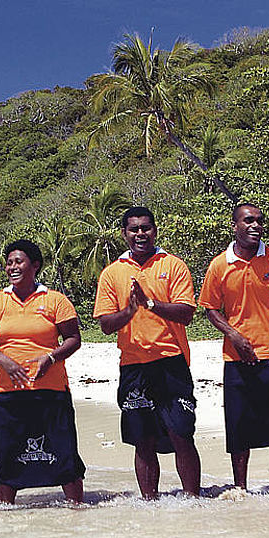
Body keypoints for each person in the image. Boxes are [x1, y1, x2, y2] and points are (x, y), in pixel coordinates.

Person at [199, 203, 269, 491]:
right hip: (237, 358)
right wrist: (233, 335)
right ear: (234, 225)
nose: (255, 226)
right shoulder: (219, 265)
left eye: (260, 221)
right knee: (237, 427)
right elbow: (211, 308)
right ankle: (240, 489)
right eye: (248, 221)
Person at [93, 207, 201, 498]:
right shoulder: (111, 273)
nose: (140, 234)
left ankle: (194, 500)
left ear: (155, 230)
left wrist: (150, 304)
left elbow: (186, 313)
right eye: (133, 229)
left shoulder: (174, 265)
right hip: (133, 367)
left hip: (172, 362)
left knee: (181, 433)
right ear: (124, 234)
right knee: (143, 439)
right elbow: (105, 324)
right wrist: (129, 310)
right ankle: (149, 504)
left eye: (145, 228)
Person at [0, 239, 85, 505]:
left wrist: (51, 357)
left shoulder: (55, 299)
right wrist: (5, 361)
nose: (12, 267)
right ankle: (6, 513)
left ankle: (77, 512)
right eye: (9, 262)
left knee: (63, 451)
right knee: (6, 454)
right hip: (8, 393)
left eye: (18, 261)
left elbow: (73, 338)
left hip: (51, 390)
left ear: (35, 266)